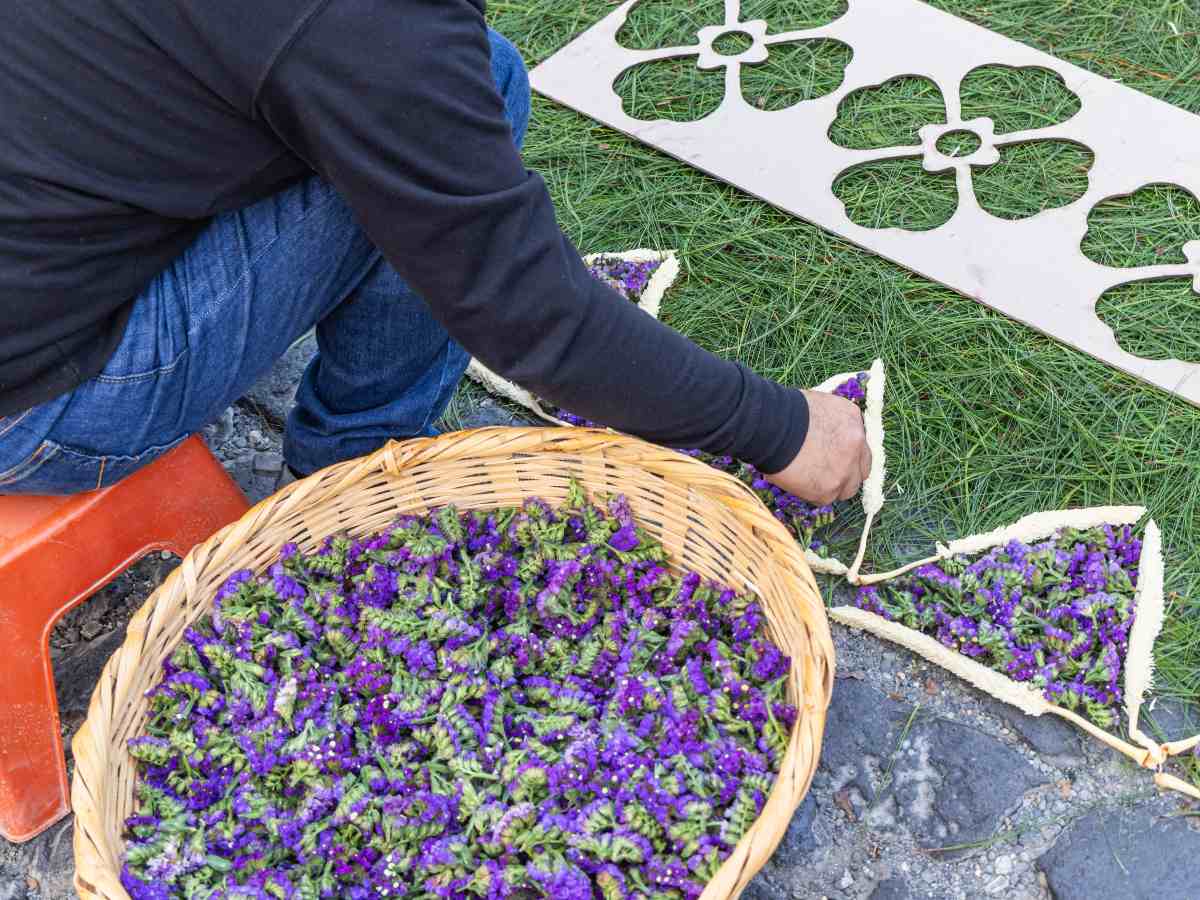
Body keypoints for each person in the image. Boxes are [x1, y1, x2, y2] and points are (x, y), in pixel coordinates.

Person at [0, 0, 869, 504]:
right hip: (41, 409)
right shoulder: (366, 27)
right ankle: (356, 477)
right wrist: (786, 429)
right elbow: (530, 316)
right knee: (479, 88)